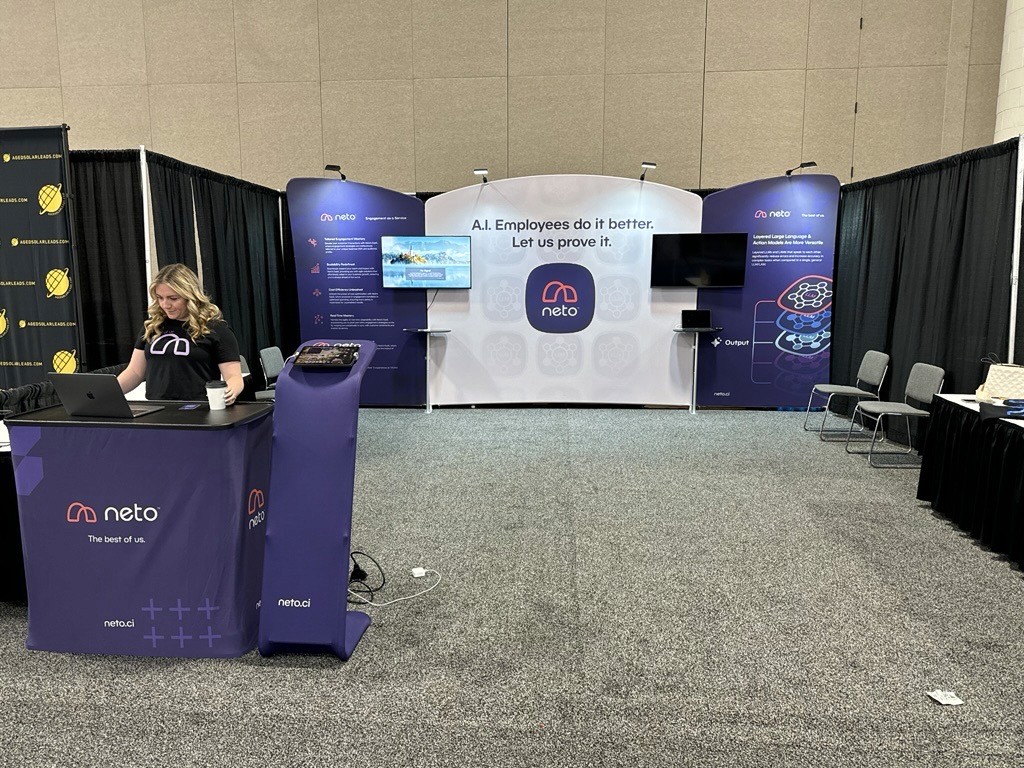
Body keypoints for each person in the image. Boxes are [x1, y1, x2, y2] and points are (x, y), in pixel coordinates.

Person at [117, 263, 244, 404]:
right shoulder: (153, 326)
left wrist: (230, 392)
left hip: (198, 409)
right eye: (160, 297)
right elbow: (135, 372)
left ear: (190, 296)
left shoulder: (216, 329)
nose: (165, 305)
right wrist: (108, 392)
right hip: (157, 408)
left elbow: (234, 377)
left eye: (173, 298)